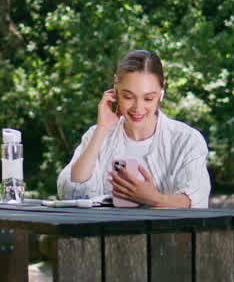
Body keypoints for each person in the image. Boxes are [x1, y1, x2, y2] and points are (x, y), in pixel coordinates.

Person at [57, 49, 211, 208]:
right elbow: (70, 192)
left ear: (161, 91)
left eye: (148, 98)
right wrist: (102, 129)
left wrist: (154, 198)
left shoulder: (186, 139)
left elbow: (195, 200)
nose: (138, 108)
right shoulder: (96, 135)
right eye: (128, 96)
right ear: (115, 87)